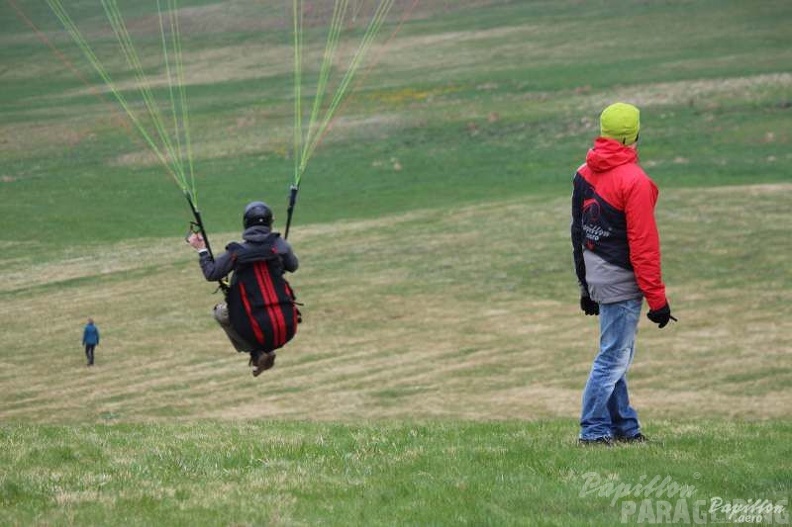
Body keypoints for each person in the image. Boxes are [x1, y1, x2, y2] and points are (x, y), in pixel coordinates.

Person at [570, 102, 674, 445]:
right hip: (620, 281)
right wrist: (657, 300)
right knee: (613, 358)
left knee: (616, 353)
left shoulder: (584, 172)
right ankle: (593, 430)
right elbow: (644, 246)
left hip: (598, 275)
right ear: (633, 135)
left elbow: (578, 232)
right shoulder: (635, 181)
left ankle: (625, 427)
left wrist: (586, 287)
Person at [187, 201, 300, 377]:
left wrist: (202, 250)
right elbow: (293, 266)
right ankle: (259, 352)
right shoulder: (279, 245)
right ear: (270, 223)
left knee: (220, 313)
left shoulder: (236, 252)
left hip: (254, 326)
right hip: (286, 326)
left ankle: (256, 353)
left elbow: (212, 273)